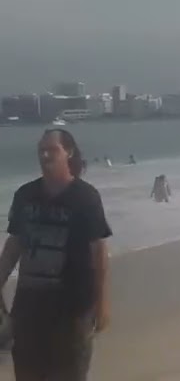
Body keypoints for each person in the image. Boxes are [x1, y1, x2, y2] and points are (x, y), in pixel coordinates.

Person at [0, 129, 111, 381]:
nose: (45, 154)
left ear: (68, 152)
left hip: (72, 309)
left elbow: (99, 252)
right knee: (27, 373)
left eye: (52, 149)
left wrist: (103, 303)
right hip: (29, 306)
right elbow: (14, 244)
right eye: (41, 150)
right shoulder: (25, 195)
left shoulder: (85, 197)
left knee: (69, 374)